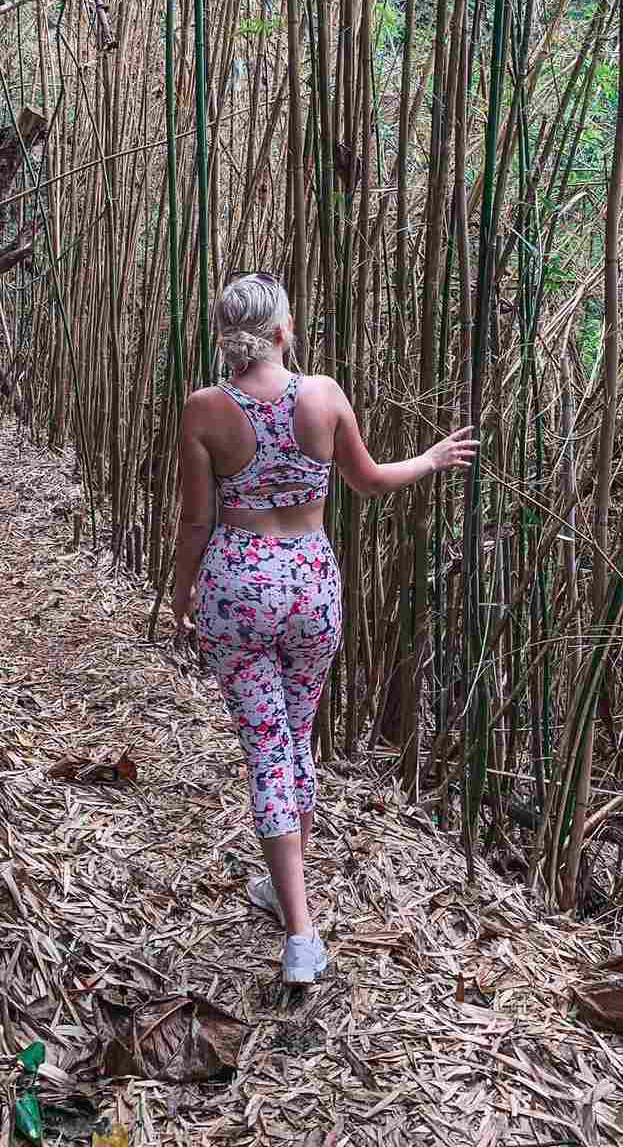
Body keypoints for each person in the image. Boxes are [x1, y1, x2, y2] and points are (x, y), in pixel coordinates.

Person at [170, 272, 479, 985]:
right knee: (296, 736)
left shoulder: (204, 409)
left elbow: (195, 520)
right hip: (311, 585)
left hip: (238, 586)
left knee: (267, 750)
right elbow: (368, 482)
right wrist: (429, 460)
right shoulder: (324, 394)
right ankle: (291, 891)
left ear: (229, 336)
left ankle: (301, 933)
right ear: (283, 331)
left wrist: (179, 597)